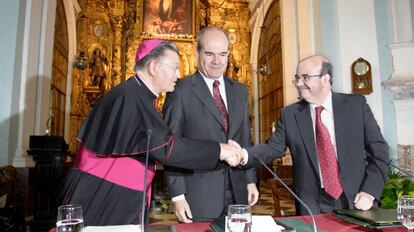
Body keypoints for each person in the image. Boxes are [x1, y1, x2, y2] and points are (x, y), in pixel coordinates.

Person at [59, 40, 242, 226]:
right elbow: (167, 148)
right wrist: (220, 150)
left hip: (118, 194)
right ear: (154, 67)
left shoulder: (137, 95)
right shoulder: (129, 97)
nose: (178, 75)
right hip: (103, 194)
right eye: (175, 68)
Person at [241, 55, 389, 215]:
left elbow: (379, 151)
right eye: (297, 78)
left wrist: (369, 191)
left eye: (305, 77)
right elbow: (272, 148)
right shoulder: (290, 115)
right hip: (312, 204)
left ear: (325, 79)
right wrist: (243, 155)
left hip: (357, 199)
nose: (298, 83)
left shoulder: (355, 106)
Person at [163, 27, 259, 223]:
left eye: (223, 54)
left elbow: (245, 140)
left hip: (238, 192)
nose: (217, 61)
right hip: (198, 195)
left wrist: (250, 180)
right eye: (210, 54)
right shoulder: (180, 91)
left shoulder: (240, 91)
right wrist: (177, 195)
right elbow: (171, 145)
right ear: (197, 54)